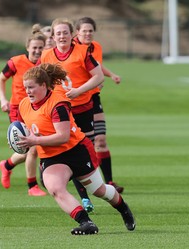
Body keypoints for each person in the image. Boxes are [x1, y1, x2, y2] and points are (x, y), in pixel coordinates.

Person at [16, 63, 135, 235]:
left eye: (31, 87)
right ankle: (87, 223)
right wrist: (20, 140)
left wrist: (34, 140)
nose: (27, 91)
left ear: (43, 85)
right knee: (55, 188)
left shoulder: (58, 104)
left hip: (76, 151)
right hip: (52, 156)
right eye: (25, 87)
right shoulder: (24, 105)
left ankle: (123, 209)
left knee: (99, 191)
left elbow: (62, 137)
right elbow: (23, 128)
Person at [39, 18, 105, 213]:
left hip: (83, 109)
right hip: (61, 111)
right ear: (52, 36)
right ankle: (83, 197)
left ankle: (97, 186)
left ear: (71, 35)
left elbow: (99, 76)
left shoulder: (83, 52)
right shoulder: (46, 56)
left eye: (65, 33)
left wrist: (79, 91)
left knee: (86, 150)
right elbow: (44, 84)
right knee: (66, 149)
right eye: (58, 33)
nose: (62, 36)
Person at [74, 16, 124, 193]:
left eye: (90, 31)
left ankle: (109, 182)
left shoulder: (96, 47)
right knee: (80, 143)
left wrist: (110, 75)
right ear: (77, 32)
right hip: (75, 101)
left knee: (100, 140)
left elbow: (96, 67)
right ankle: (80, 184)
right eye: (84, 31)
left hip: (93, 98)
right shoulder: (71, 49)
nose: (88, 34)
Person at [0, 25, 47, 196]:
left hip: (38, 108)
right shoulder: (16, 62)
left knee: (27, 150)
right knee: (31, 147)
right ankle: (32, 186)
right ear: (28, 47)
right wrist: (3, 99)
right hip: (18, 109)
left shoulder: (45, 64)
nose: (37, 51)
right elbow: (1, 79)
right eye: (34, 48)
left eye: (40, 48)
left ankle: (7, 165)